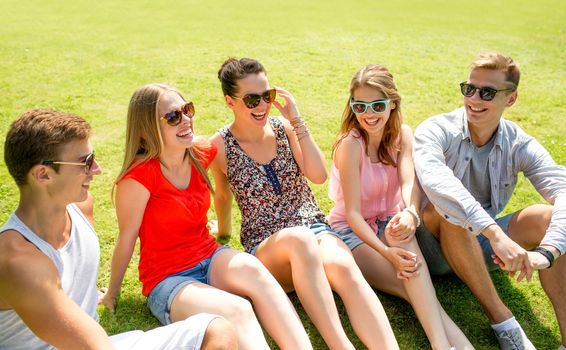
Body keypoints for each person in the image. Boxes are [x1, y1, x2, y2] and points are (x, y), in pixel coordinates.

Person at [0, 109, 237, 350]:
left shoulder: (81, 207)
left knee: (217, 330)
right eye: (85, 162)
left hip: (98, 344)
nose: (97, 169)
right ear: (43, 174)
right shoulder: (18, 261)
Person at [100, 83, 312, 350]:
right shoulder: (137, 178)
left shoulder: (201, 151)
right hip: (169, 278)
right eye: (173, 117)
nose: (187, 119)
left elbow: (224, 191)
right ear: (146, 130)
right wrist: (111, 294)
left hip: (209, 256)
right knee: (237, 309)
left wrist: (222, 229)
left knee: (258, 274)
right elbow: (127, 237)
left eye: (186, 109)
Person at [211, 57, 398, 350]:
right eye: (251, 99)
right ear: (229, 101)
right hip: (267, 244)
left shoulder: (285, 128)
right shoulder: (220, 145)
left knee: (344, 267)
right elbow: (221, 196)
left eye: (267, 96)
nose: (261, 106)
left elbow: (319, 176)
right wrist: (222, 232)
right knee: (299, 240)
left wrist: (296, 120)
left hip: (314, 227)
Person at [413, 52, 566, 350]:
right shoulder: (435, 130)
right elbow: (440, 187)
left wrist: (548, 252)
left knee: (549, 216)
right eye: (469, 88)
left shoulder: (519, 142)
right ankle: (504, 323)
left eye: (487, 92)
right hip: (430, 245)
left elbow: (562, 188)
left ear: (510, 99)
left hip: (482, 246)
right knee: (448, 209)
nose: (474, 98)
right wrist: (495, 234)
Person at [328, 64, 473, 350]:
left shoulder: (403, 134)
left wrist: (411, 212)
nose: (368, 114)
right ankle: (449, 346)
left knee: (410, 263)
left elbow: (409, 184)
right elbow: (353, 214)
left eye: (377, 105)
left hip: (391, 223)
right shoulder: (350, 145)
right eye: (360, 106)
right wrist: (387, 254)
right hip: (353, 233)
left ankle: (445, 346)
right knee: (415, 287)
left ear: (392, 103)